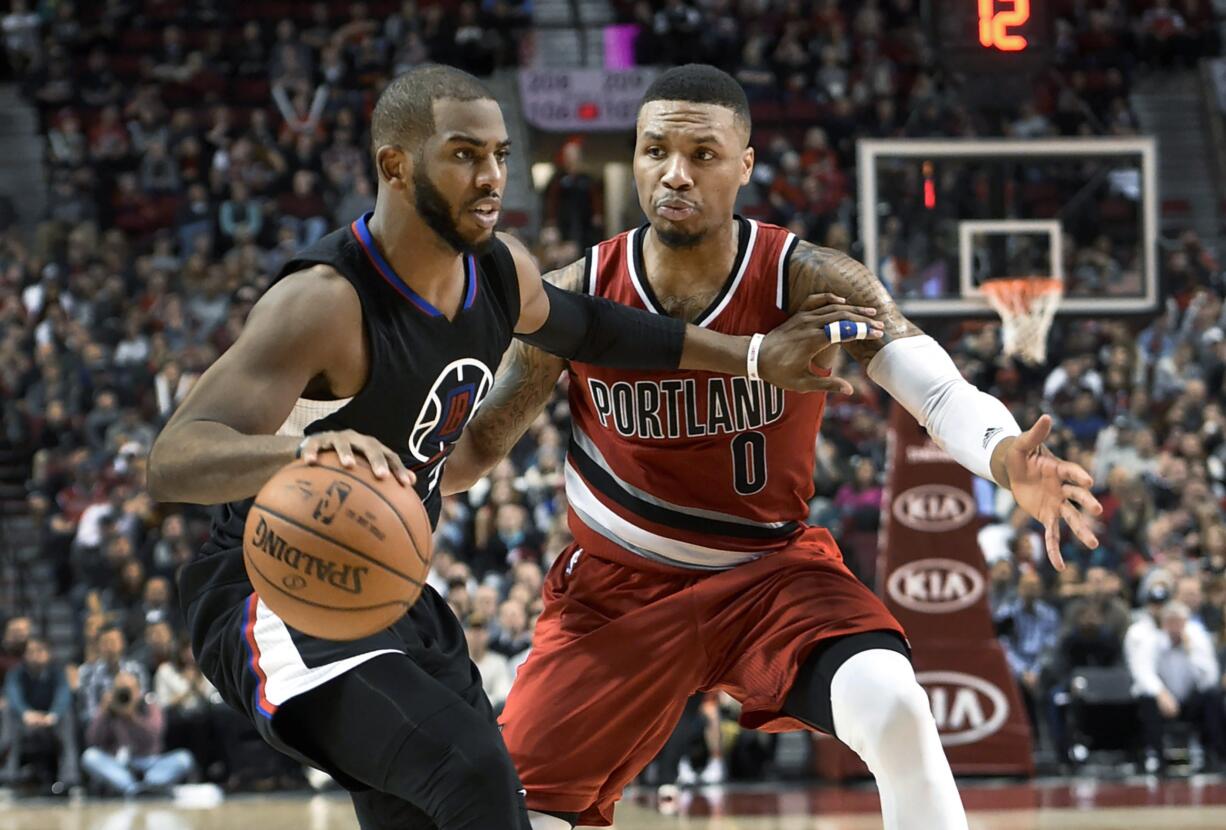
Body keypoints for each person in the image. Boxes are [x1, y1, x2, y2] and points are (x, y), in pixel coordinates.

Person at [148, 65, 845, 830]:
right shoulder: (324, 301)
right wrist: (302, 456)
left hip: (391, 589)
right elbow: (175, 458)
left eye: (501, 155)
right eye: (464, 155)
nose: (491, 178)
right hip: (278, 583)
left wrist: (749, 357)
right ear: (395, 166)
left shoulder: (500, 270)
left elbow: (599, 328)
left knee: (473, 795)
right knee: (471, 774)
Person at [446, 64, 1104, 830]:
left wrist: (1000, 452)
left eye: (703, 153)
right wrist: (382, 458)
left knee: (894, 704)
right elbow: (476, 448)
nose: (675, 174)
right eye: (655, 150)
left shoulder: (807, 278)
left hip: (771, 577)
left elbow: (932, 387)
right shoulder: (576, 293)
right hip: (615, 593)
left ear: (746, 164)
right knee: (516, 817)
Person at [80, 671, 194, 796]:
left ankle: (148, 785)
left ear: (139, 691)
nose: (125, 695)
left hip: (151, 762)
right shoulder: (109, 710)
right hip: (119, 764)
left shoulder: (150, 706)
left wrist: (132, 716)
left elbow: (154, 737)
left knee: (184, 758)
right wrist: (103, 713)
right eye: (120, 690)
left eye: (129, 690)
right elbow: (92, 740)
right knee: (89, 756)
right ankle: (135, 788)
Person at [2, 637, 79, 789]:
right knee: (8, 711)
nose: (36, 655)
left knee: (67, 714)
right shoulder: (15, 673)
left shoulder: (58, 672)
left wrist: (53, 715)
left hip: (51, 722)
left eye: (40, 651)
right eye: (31, 652)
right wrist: (26, 713)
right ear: (24, 655)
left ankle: (70, 778)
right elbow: (13, 695)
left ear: (48, 654)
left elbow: (63, 695)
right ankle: (8, 776)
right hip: (25, 723)